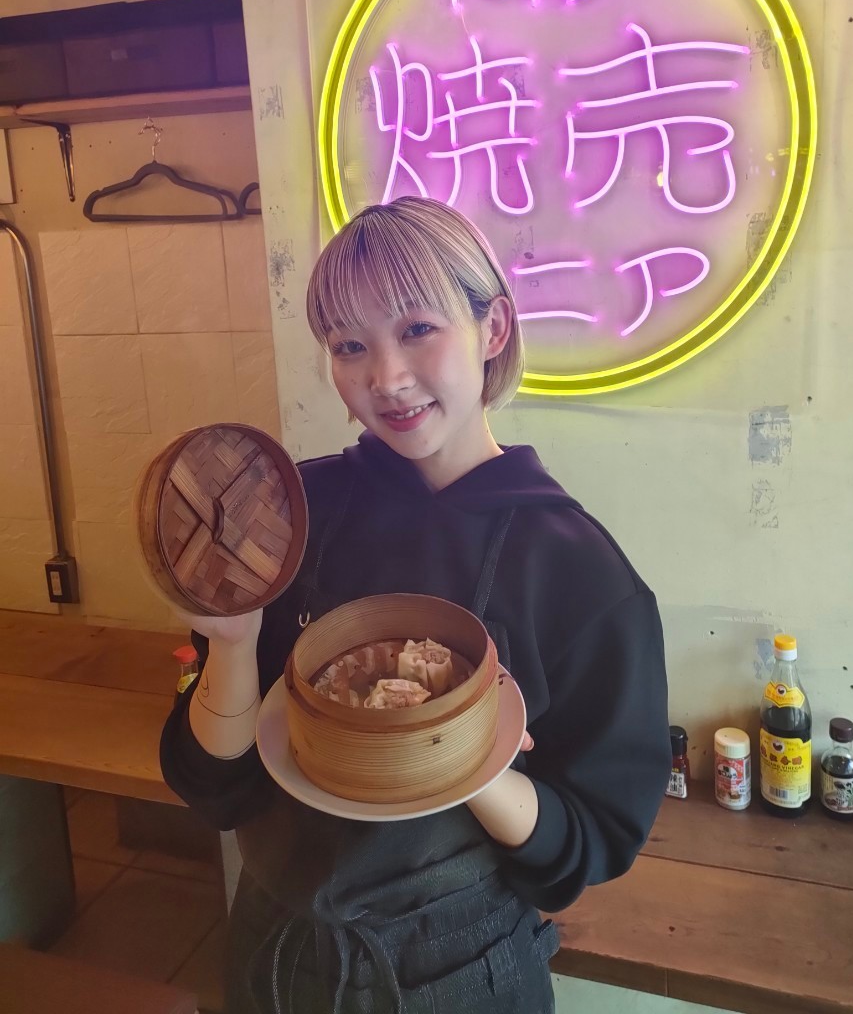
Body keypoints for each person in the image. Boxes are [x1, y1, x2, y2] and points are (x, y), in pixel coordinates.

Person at [160, 196, 670, 1014]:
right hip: (275, 954)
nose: (385, 378)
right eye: (349, 345)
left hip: (462, 973)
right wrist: (232, 641)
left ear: (492, 329)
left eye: (418, 329)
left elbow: (584, 847)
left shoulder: (580, 574)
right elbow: (217, 788)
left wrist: (469, 756)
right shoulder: (288, 519)